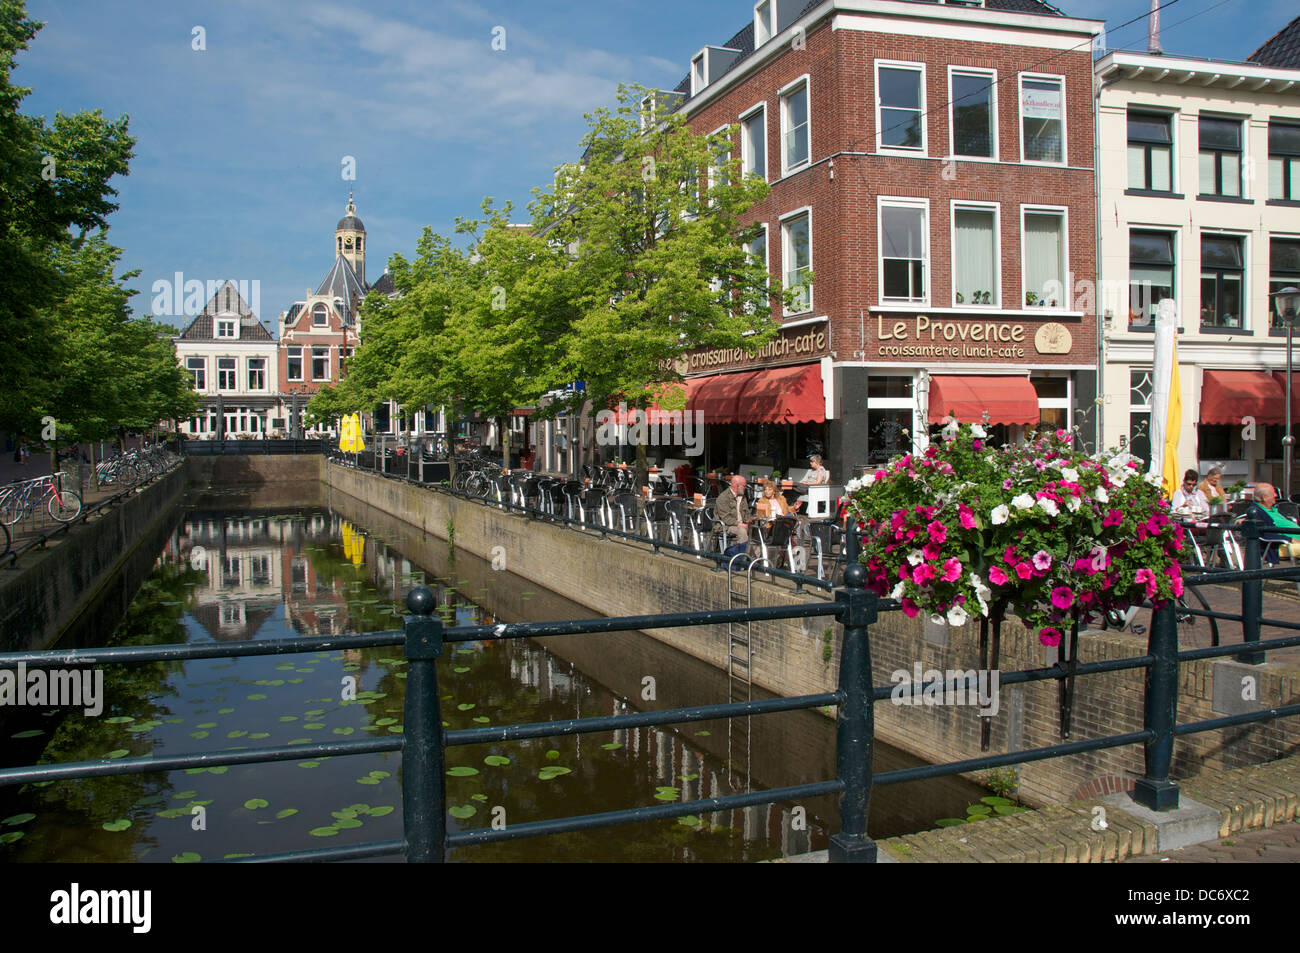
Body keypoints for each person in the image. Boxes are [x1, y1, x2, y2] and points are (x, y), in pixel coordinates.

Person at [1249, 482, 1300, 565]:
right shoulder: (1256, 511)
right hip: (1280, 545)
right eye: (1273, 493)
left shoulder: (1273, 509)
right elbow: (1264, 534)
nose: (1276, 495)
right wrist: (1291, 539)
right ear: (1265, 497)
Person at [715, 474, 752, 547]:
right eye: (744, 486)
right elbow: (726, 518)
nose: (745, 488)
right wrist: (740, 524)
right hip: (726, 526)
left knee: (758, 530)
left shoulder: (742, 496)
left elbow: (747, 512)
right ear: (737, 485)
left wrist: (749, 521)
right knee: (742, 531)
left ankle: (754, 556)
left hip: (742, 524)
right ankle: (742, 556)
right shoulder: (723, 498)